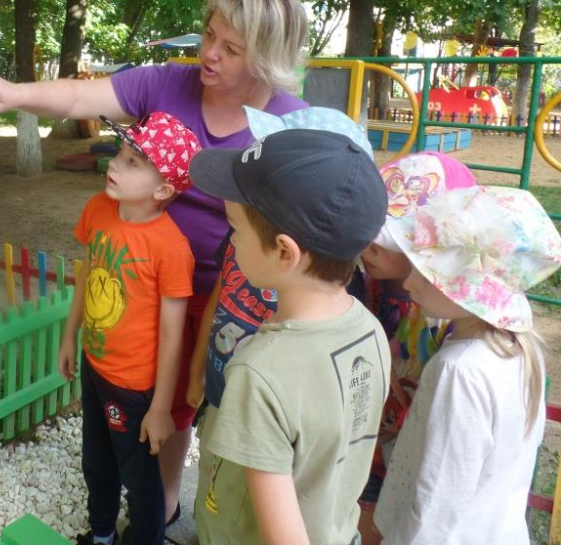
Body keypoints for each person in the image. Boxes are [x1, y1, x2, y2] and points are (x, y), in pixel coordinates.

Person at [0, 0, 309, 517]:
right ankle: (141, 491)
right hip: (137, 278)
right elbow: (81, 94)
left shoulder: (290, 122)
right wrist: (16, 94)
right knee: (134, 389)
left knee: (190, 401)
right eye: (209, 34)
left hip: (219, 292)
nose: (208, 54)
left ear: (265, 57)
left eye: (230, 48)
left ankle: (166, 502)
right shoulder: (169, 82)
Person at [188, 128, 390, 545]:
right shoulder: (370, 330)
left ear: (284, 253)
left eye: (235, 230)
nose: (231, 242)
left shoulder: (259, 371)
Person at [374, 185, 561, 544]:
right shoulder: (521, 349)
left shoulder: (460, 369)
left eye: (428, 273)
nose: (409, 283)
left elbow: (437, 504)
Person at [57, 111, 200, 545]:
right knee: (96, 463)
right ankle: (102, 535)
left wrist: (160, 408)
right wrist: (69, 336)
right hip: (94, 364)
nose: (115, 164)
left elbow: (174, 333)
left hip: (135, 386)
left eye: (133, 161)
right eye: (119, 154)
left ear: (163, 189)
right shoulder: (98, 209)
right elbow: (87, 273)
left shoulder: (171, 247)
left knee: (140, 482)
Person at [352, 152, 476, 544]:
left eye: (386, 239)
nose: (368, 245)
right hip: (360, 445)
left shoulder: (442, 317)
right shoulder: (361, 281)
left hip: (405, 459)